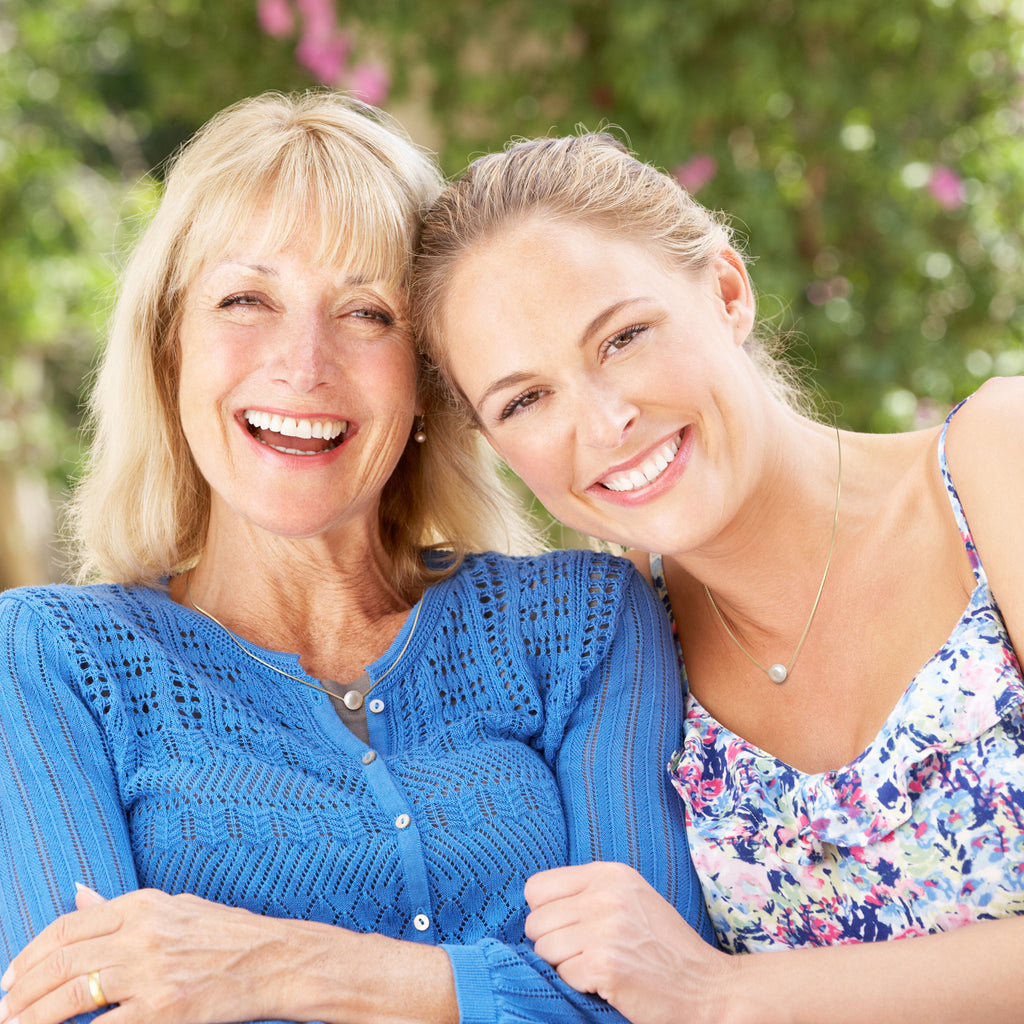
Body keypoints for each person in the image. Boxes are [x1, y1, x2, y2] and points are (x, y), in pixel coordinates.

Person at [0, 99, 715, 1024]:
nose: (304, 365)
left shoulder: (580, 622)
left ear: (426, 379)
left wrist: (283, 967)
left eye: (366, 312)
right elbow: (71, 1010)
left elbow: (660, 1001)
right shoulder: (56, 656)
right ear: (168, 347)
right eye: (245, 301)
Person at [411, 131, 1024, 1023]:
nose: (607, 420)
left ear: (727, 292)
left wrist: (724, 994)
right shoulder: (617, 648)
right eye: (525, 400)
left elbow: (695, 995)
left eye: (622, 337)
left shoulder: (995, 466)